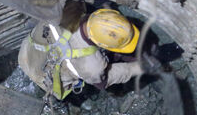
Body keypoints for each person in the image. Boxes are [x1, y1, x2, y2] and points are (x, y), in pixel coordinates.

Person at [19, 7, 148, 100]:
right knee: (59, 89)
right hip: (44, 78)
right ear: (103, 45)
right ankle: (57, 101)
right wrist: (138, 67)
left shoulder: (69, 6)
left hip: (25, 53)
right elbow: (103, 81)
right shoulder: (92, 67)